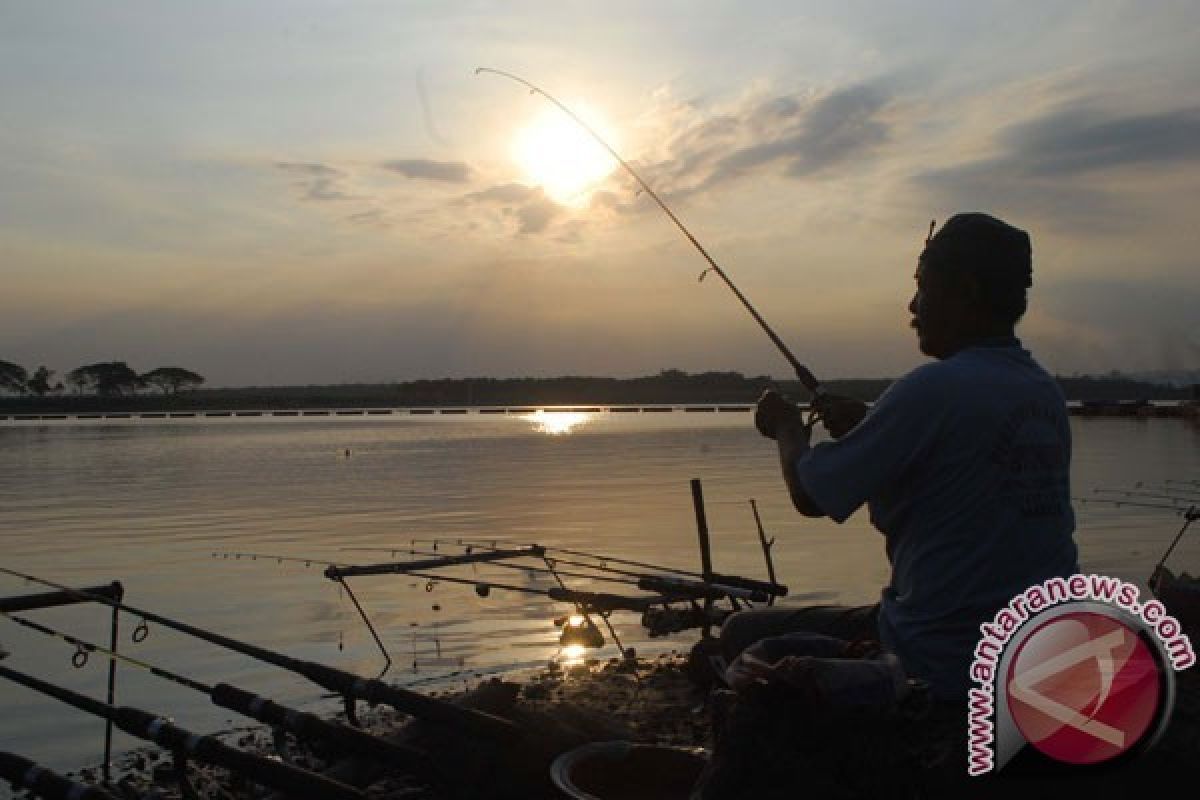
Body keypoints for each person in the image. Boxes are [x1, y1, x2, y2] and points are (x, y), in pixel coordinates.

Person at [720, 212, 1079, 702]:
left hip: (941, 659)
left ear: (968, 290)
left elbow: (810, 494)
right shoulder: (1043, 393)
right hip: (1038, 653)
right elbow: (958, 472)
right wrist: (871, 425)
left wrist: (785, 428)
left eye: (924, 288)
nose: (913, 306)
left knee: (738, 633)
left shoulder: (934, 388)